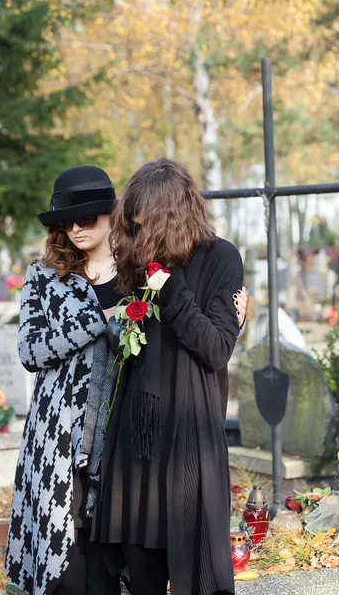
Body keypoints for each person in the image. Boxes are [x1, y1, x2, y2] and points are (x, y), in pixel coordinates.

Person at [94, 158, 245, 595]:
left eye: (145, 223)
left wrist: (170, 284)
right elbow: (127, 342)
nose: (139, 232)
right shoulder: (141, 258)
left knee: (191, 560)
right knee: (140, 560)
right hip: (138, 433)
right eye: (134, 223)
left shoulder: (221, 257)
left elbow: (215, 349)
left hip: (188, 433)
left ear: (170, 214)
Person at [5, 166, 123, 595]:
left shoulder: (137, 274)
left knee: (113, 551)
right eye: (66, 221)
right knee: (67, 555)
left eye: (87, 218)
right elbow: (30, 352)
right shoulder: (43, 277)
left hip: (120, 428)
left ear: (111, 216)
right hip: (58, 435)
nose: (75, 228)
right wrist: (96, 321)